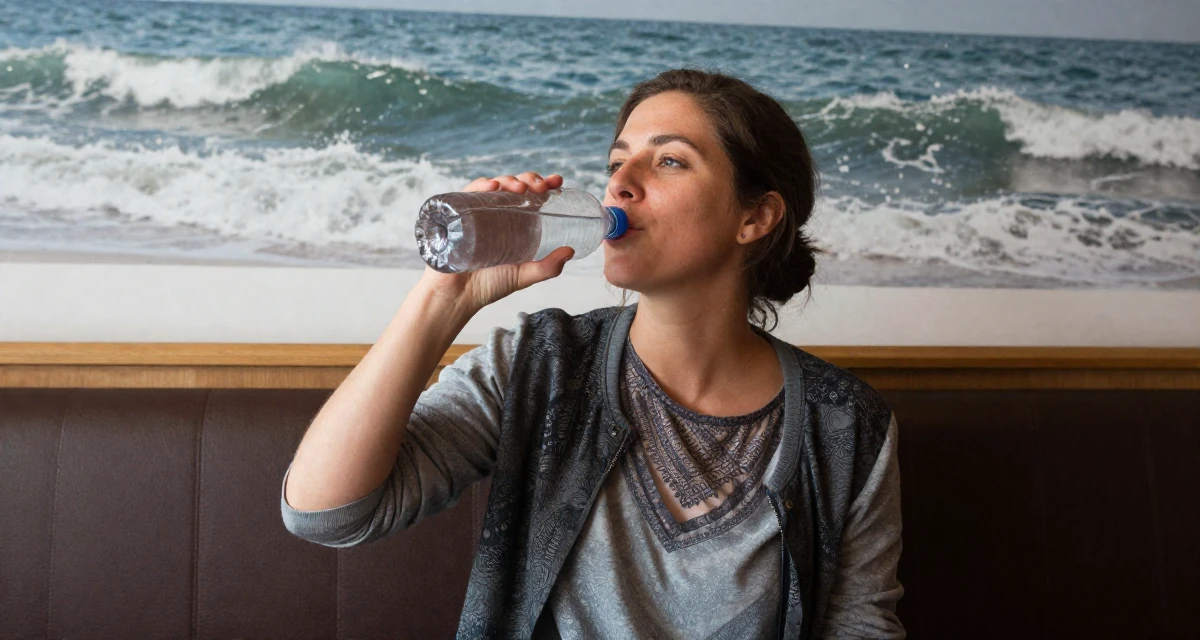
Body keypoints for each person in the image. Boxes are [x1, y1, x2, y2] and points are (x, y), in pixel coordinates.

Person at [281, 68, 904, 639]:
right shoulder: (538, 364)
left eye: (668, 162)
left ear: (756, 216)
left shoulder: (845, 424)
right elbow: (327, 514)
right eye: (616, 160)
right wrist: (445, 296)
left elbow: (860, 626)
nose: (620, 184)